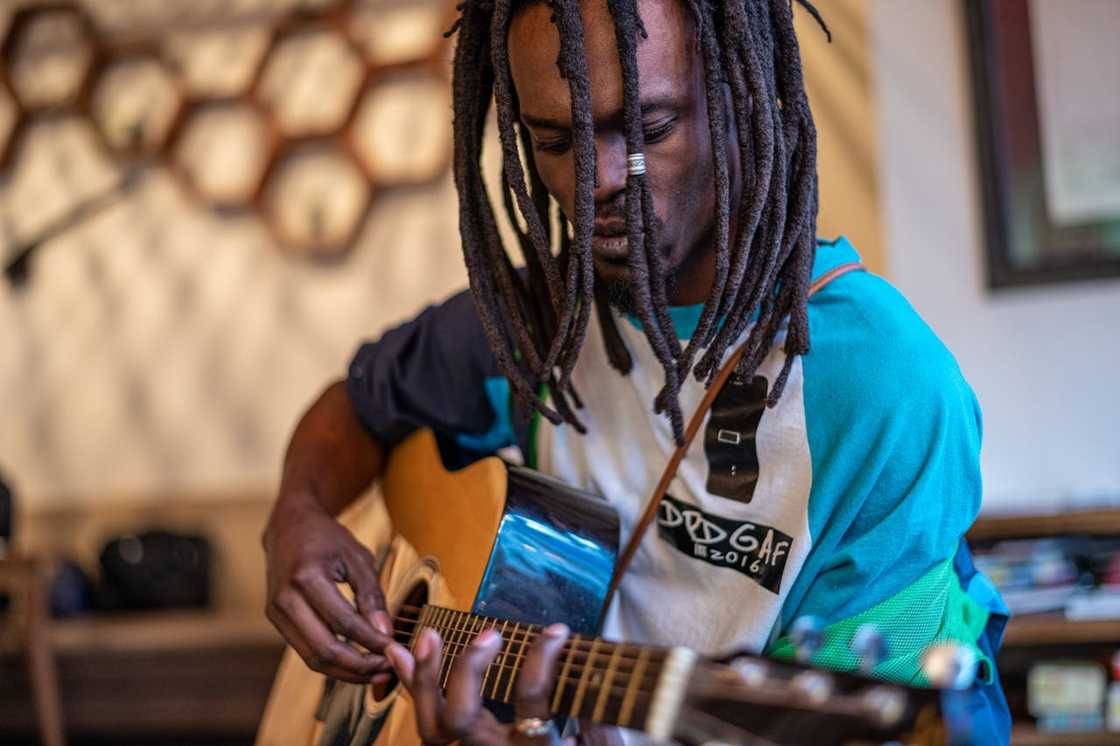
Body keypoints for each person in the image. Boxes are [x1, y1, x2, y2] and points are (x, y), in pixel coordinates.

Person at [262, 0, 1011, 742]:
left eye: (650, 129)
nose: (598, 184)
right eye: (556, 142)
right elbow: (359, 404)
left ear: (741, 99)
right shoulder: (535, 321)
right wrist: (296, 516)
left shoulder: (885, 385)